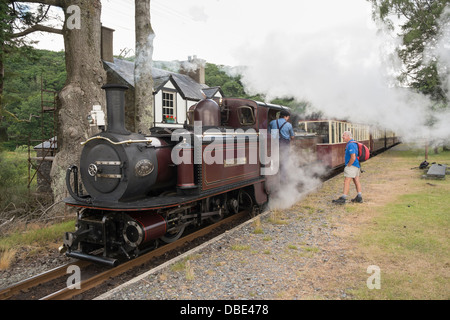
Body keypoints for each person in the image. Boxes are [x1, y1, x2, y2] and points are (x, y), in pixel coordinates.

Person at [332, 131, 363, 204]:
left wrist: (348, 165)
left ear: (349, 136)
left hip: (352, 165)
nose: (342, 136)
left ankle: (343, 198)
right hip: (356, 165)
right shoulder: (353, 143)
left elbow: (353, 157)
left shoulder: (351, 145)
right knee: (356, 181)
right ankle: (359, 197)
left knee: (346, 181)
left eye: (344, 135)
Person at [269, 109, 295, 178]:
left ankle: (274, 176)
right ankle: (283, 178)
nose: (288, 119)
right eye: (288, 117)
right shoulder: (288, 125)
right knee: (284, 161)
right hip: (284, 144)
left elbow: (269, 134)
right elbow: (292, 136)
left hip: (274, 144)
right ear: (285, 116)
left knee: (274, 160)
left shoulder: (272, 122)